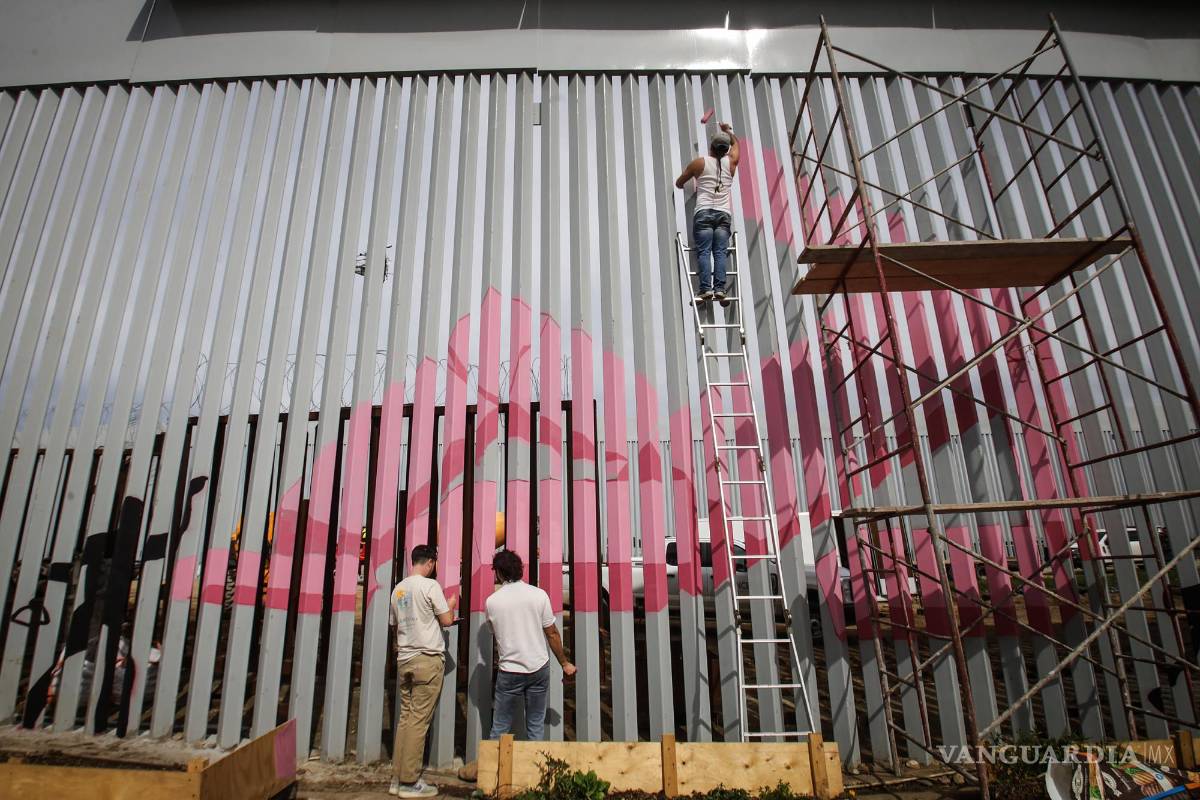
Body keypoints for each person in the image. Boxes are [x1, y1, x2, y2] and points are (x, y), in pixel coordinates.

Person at [389, 544, 457, 798]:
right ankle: (409, 782)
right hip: (427, 659)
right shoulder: (430, 586)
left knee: (406, 719)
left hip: (405, 658)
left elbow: (394, 626)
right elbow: (447, 620)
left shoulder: (398, 589)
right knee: (419, 721)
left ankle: (397, 778)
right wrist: (450, 604)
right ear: (430, 563)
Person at [487, 549, 576, 740]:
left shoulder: (492, 602)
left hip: (509, 670)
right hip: (538, 667)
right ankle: (534, 768)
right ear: (521, 569)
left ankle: (494, 767)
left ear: (499, 572)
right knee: (535, 727)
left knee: (500, 728)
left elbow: (493, 631)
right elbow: (552, 633)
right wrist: (565, 663)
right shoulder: (539, 595)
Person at [674, 122, 739, 304]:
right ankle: (720, 289)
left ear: (711, 146)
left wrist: (692, 180)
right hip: (723, 214)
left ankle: (705, 289)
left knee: (704, 252)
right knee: (719, 252)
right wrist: (728, 131)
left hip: (703, 212)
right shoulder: (732, 163)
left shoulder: (699, 163)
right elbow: (737, 146)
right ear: (726, 150)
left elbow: (679, 183)